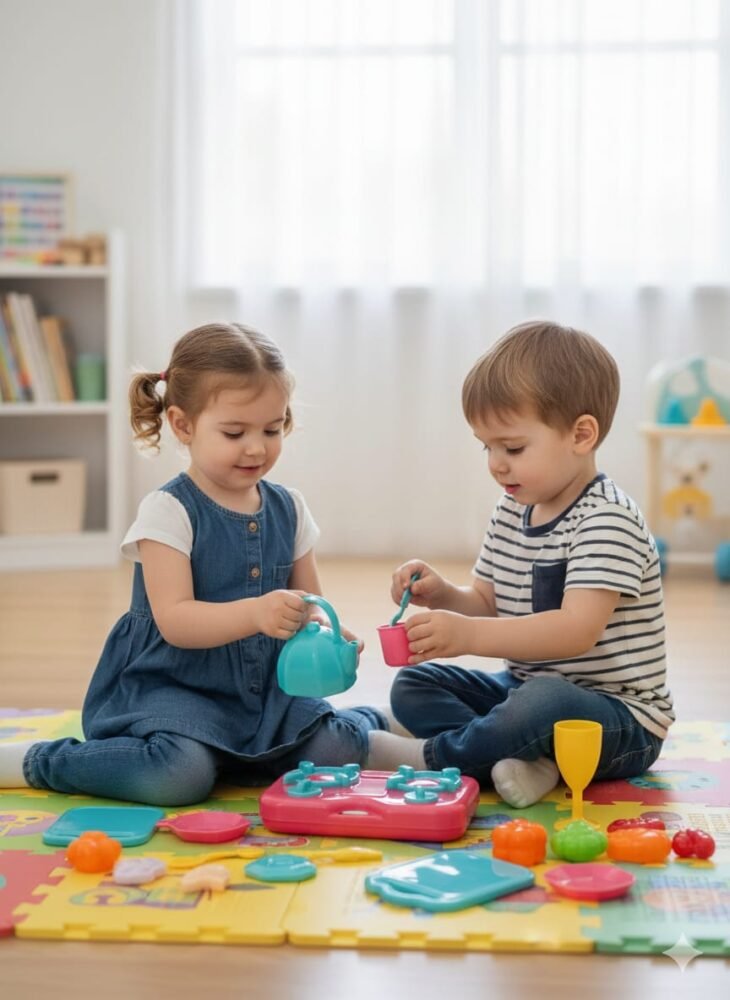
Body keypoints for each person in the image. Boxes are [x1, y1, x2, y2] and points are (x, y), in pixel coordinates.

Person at [0, 323, 386, 804]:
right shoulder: (168, 511)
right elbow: (176, 620)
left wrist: (327, 629)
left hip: (263, 690)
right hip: (176, 687)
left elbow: (310, 601)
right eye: (234, 432)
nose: (256, 447)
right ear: (183, 425)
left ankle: (378, 723)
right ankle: (39, 761)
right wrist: (256, 613)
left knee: (332, 750)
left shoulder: (290, 507)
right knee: (177, 776)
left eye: (272, 428)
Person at [367, 320, 674, 807]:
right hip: (523, 691)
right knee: (415, 684)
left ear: (581, 434)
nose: (496, 463)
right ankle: (527, 760)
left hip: (618, 719)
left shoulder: (607, 519)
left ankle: (436, 756)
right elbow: (488, 602)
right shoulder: (514, 507)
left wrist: (467, 637)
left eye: (512, 447)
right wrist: (444, 594)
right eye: (486, 446)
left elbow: (575, 632)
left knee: (543, 702)